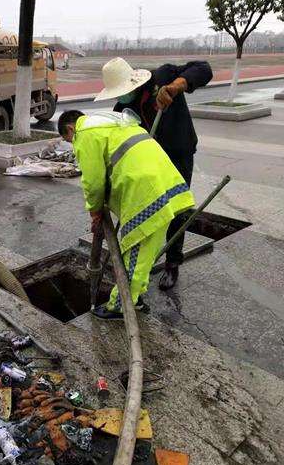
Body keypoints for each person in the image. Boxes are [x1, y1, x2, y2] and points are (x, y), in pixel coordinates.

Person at [58, 108, 195, 319]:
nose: (72, 144)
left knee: (134, 251)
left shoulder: (84, 132)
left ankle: (120, 305)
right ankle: (135, 296)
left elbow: (93, 181)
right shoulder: (109, 120)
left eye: (69, 140)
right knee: (147, 251)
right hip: (165, 183)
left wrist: (94, 210)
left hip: (145, 191)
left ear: (70, 128)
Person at [95, 57, 213, 290]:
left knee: (177, 211)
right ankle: (142, 262)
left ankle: (172, 263)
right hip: (149, 162)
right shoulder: (122, 109)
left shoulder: (163, 77)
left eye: (123, 91)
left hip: (178, 153)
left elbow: (204, 69)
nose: (121, 96)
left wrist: (176, 86)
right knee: (148, 210)